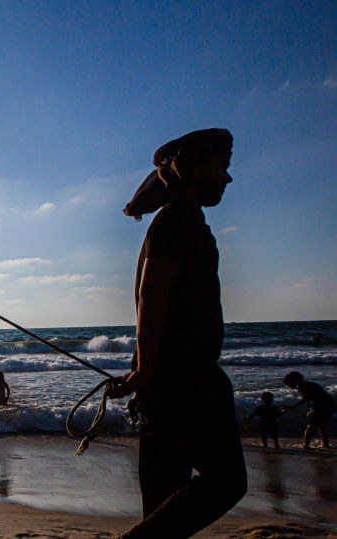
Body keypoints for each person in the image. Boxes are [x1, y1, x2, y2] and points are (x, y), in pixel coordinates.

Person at [109, 128, 246, 538]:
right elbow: (152, 298)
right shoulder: (180, 220)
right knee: (227, 483)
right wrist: (146, 371)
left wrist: (145, 374)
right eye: (222, 166)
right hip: (187, 380)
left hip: (165, 383)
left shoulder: (175, 220)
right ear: (194, 167)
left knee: (163, 501)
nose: (227, 177)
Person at [281, 371, 334, 450]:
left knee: (312, 425)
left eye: (289, 384)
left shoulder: (301, 386)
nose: (290, 386)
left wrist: (293, 406)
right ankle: (325, 444)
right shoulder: (308, 384)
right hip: (328, 404)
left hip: (321, 406)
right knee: (320, 425)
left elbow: (306, 398)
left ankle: (306, 445)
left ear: (295, 380)